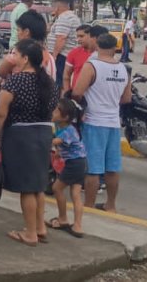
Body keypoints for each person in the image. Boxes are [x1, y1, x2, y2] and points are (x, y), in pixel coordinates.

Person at [0, 39, 57, 247]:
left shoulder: (15, 82)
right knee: (38, 185)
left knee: (26, 187)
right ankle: (40, 228)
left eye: (14, 53)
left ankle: (30, 233)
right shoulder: (49, 82)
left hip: (21, 136)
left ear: (25, 59)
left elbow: (0, 113)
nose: (11, 57)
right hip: (43, 134)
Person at [71, 33, 131, 213]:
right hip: (113, 122)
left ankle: (89, 206)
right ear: (115, 48)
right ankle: (110, 205)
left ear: (97, 46)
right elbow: (127, 98)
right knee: (112, 167)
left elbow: (77, 92)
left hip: (94, 121)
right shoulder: (123, 69)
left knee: (93, 169)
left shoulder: (92, 66)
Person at [48, 97, 88, 238]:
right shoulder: (62, 126)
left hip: (74, 163)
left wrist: (41, 139)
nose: (53, 112)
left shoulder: (68, 130)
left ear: (65, 117)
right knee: (75, 194)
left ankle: (63, 219)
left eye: (56, 110)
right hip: (80, 162)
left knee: (57, 188)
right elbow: (62, 144)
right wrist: (59, 151)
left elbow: (56, 140)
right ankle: (77, 225)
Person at [0, 10, 55, 82]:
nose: (17, 34)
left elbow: (1, 72)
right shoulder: (50, 58)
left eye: (18, 30)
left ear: (26, 32)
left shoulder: (18, 54)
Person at [47, 0, 81, 88]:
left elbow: (61, 38)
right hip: (65, 54)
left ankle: (59, 99)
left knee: (58, 81)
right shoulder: (68, 17)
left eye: (52, 7)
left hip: (62, 55)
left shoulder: (64, 18)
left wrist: (54, 56)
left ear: (57, 8)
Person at [63, 24, 99, 96]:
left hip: (95, 96)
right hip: (77, 95)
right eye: (77, 36)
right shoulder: (73, 53)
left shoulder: (100, 54)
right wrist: (67, 94)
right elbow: (66, 75)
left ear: (91, 36)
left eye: (81, 36)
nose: (78, 39)